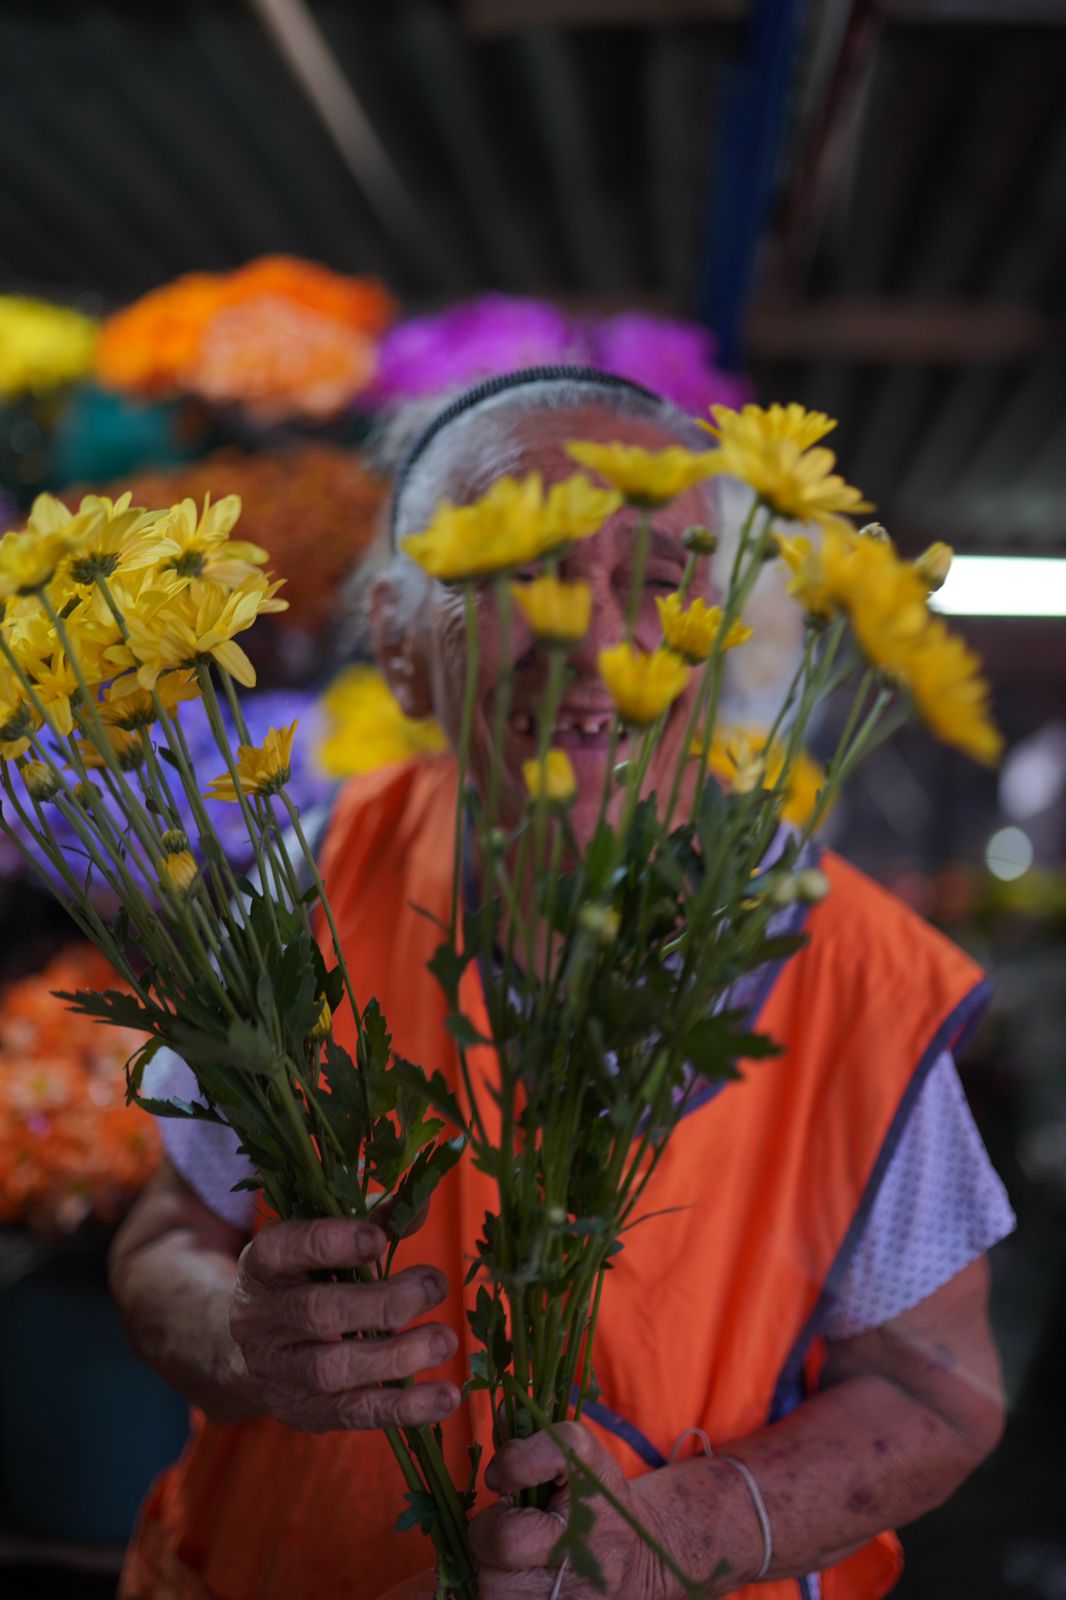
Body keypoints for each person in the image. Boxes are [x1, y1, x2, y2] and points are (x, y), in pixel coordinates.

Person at [110, 368, 1014, 1600]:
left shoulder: (859, 971)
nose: (587, 643)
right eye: (507, 574)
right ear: (394, 642)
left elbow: (937, 1389)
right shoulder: (317, 866)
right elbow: (169, 1237)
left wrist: (688, 1530)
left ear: (725, 637)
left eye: (654, 584)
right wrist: (238, 1334)